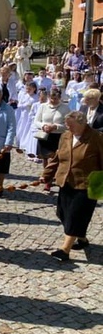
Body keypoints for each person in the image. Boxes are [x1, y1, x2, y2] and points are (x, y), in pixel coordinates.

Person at [40, 111, 103, 261]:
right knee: (62, 213)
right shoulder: (66, 136)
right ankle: (81, 238)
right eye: (67, 125)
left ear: (82, 124)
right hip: (66, 180)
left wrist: (100, 186)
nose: (68, 128)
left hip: (88, 183)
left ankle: (65, 250)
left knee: (75, 215)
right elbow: (57, 158)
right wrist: (46, 174)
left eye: (71, 125)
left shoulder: (97, 138)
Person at [33, 87, 69, 189]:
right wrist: (44, 125)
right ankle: (47, 178)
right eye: (51, 99)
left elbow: (67, 124)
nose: (53, 101)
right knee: (45, 158)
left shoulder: (65, 108)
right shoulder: (43, 107)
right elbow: (36, 121)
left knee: (55, 157)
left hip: (58, 136)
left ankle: (55, 175)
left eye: (56, 99)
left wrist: (56, 126)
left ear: (59, 98)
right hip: (45, 135)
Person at [15, 82, 38, 146]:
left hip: (31, 115)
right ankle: (20, 141)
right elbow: (19, 105)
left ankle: (27, 143)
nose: (28, 90)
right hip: (24, 115)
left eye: (29, 89)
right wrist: (25, 105)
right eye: (27, 89)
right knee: (22, 128)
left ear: (34, 89)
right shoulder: (24, 96)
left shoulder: (36, 97)